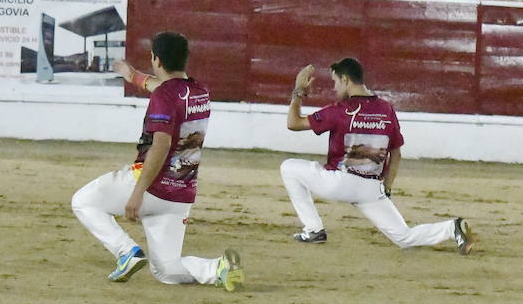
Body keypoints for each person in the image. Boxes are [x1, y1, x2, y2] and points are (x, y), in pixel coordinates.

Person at [72, 32, 242, 290]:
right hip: (180, 193)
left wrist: (138, 193)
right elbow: (158, 86)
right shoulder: (200, 92)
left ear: (156, 59)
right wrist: (130, 74)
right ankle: (218, 268)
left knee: (83, 201)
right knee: (167, 271)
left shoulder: (163, 96)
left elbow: (160, 145)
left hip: (151, 185)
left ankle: (126, 251)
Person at [281, 59, 476, 254]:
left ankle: (313, 229)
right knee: (404, 237)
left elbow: (293, 123)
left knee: (288, 168)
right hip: (371, 188)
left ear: (346, 79)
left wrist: (299, 91)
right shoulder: (386, 109)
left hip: (339, 182)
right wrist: (387, 187)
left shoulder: (341, 110)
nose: (335, 87)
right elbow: (396, 153)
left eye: (335, 81)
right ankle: (452, 227)